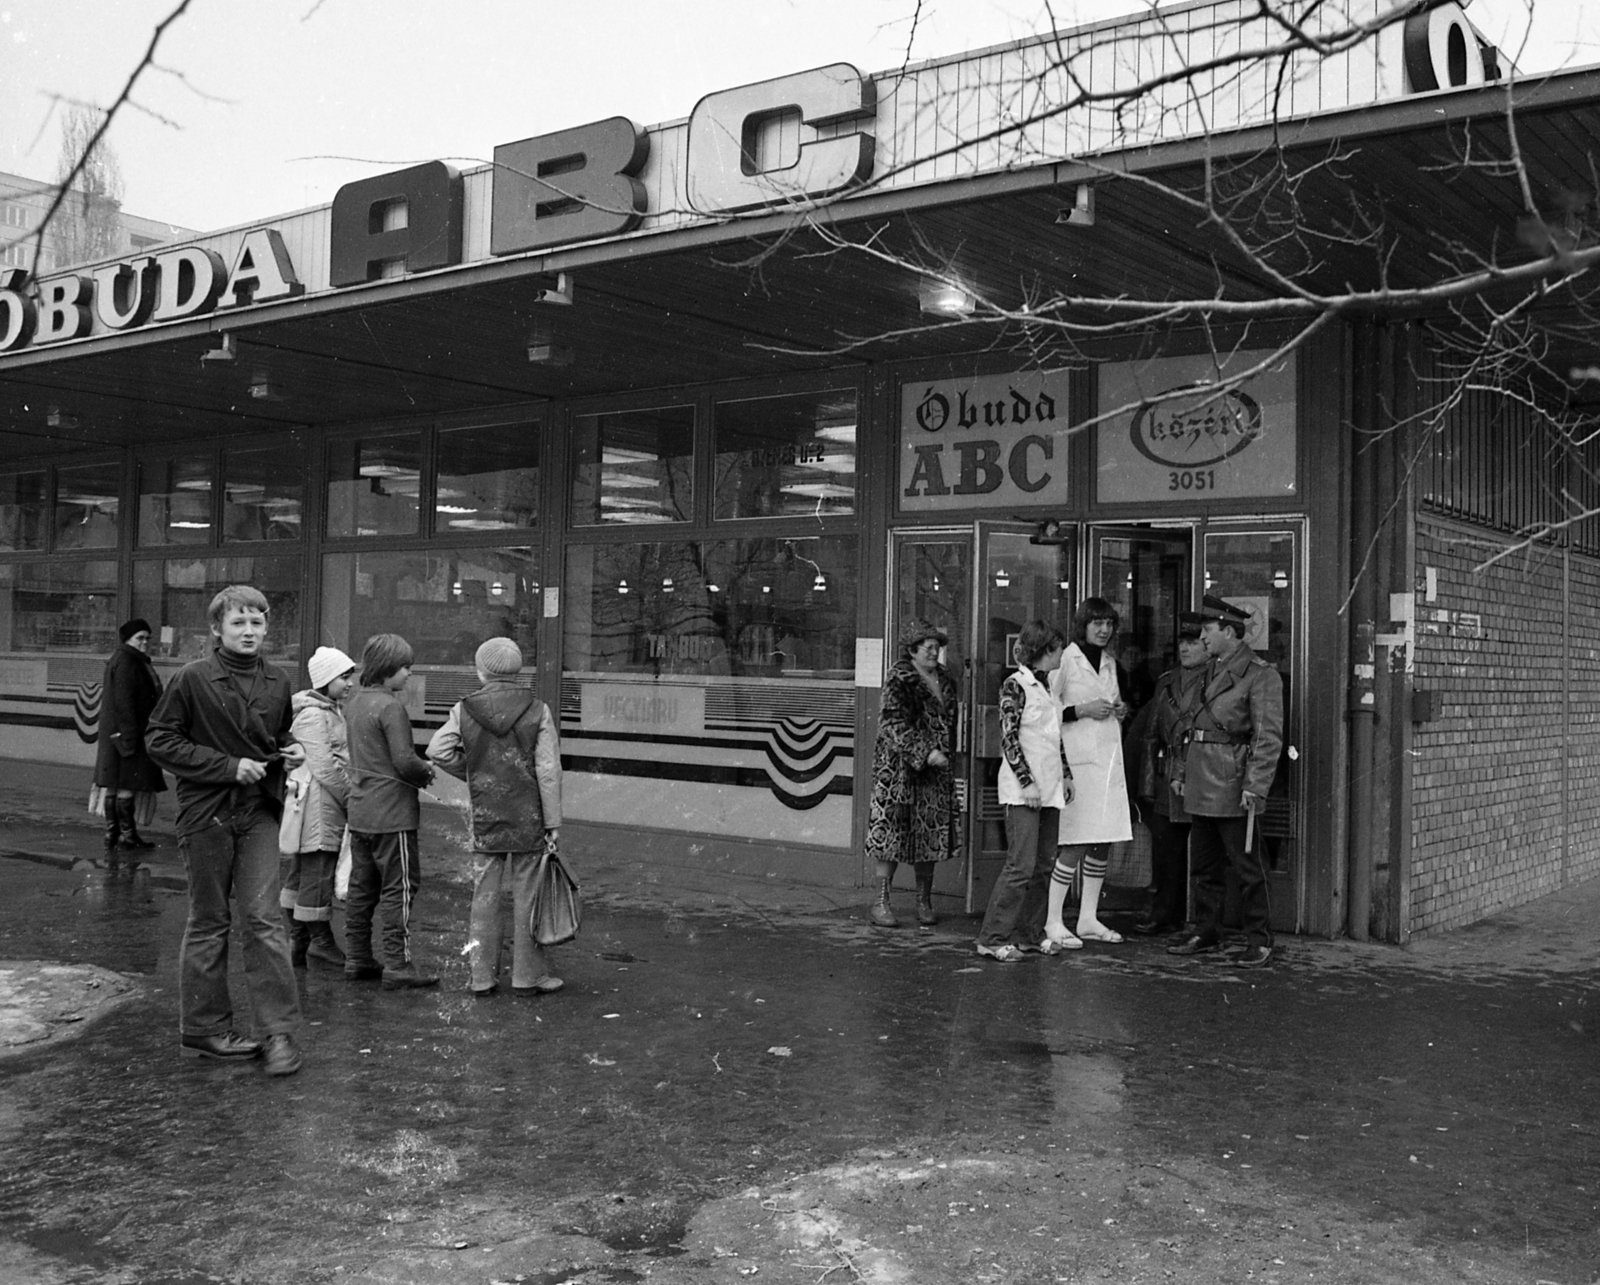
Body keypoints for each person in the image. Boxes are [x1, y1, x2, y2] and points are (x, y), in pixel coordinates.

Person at [144, 585, 305, 1076]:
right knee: (210, 919)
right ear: (216, 629)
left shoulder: (279, 682)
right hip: (206, 811)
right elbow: (159, 740)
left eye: (257, 623)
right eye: (238, 623)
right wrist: (227, 766)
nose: (249, 631)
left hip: (258, 811)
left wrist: (291, 748)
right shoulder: (192, 679)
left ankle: (278, 1034)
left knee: (263, 919)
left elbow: (275, 735)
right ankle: (206, 1028)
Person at [426, 638, 565, 997]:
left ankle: (482, 978)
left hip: (487, 813)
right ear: (518, 671)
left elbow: (437, 750)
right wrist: (552, 823)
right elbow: (548, 771)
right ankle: (528, 976)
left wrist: (474, 775)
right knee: (528, 895)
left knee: (484, 895)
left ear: (480, 671)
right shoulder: (538, 709)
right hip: (528, 814)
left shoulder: (464, 709)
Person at [1167, 595, 1285, 968]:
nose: (1201, 637)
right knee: (1203, 866)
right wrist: (1182, 772)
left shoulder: (1260, 674)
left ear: (1230, 632)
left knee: (1248, 866)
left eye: (1208, 630)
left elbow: (1267, 736)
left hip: (1234, 781)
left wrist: (1256, 785)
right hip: (1203, 778)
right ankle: (1207, 930)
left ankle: (1259, 939)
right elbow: (1193, 727)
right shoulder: (1211, 669)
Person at [975, 621, 1076, 962]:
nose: (1063, 653)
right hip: (1024, 791)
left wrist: (1066, 774)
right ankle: (992, 936)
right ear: (1046, 650)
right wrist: (1026, 781)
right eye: (1059, 647)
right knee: (1021, 865)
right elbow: (1009, 737)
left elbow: (1054, 737)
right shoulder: (1015, 685)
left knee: (1045, 863)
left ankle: (1029, 934)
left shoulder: (1048, 687)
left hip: (1049, 787)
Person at [343, 633, 439, 989]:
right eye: (404, 667)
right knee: (400, 887)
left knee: (362, 887)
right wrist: (426, 769)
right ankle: (397, 963)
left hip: (361, 811)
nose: (409, 673)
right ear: (387, 669)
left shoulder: (354, 701)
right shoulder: (390, 707)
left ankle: (357, 956)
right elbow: (404, 761)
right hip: (393, 814)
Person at [1045, 597, 1135, 947]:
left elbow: (1108, 703)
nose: (1103, 629)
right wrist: (1081, 709)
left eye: (1109, 624)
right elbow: (1044, 711)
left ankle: (1087, 918)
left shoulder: (1111, 663)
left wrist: (1119, 710)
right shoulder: (1065, 660)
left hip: (1108, 762)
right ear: (1082, 625)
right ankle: (1054, 920)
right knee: (1075, 842)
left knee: (1102, 841)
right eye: (1096, 623)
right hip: (1078, 766)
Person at [864, 618, 959, 928]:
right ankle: (881, 902)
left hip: (935, 772)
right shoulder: (899, 677)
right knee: (891, 835)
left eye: (936, 647)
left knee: (930, 833)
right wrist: (925, 751)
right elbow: (890, 724)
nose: (934, 652)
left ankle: (923, 901)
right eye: (928, 647)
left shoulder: (944, 679)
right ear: (912, 650)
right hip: (900, 772)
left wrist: (942, 755)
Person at [1130, 612, 1209, 937]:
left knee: (1205, 854)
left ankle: (1202, 921)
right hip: (1168, 778)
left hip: (1204, 773)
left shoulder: (1217, 678)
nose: (1185, 649)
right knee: (1165, 852)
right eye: (1182, 643)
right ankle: (1165, 914)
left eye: (1192, 642)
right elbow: (1150, 735)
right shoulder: (1166, 681)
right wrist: (1147, 786)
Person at [280, 646, 356, 969]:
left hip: (319, 804)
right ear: (326, 680)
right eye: (344, 677)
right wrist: (352, 797)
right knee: (318, 872)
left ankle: (298, 941)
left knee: (306, 871)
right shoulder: (314, 715)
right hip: (319, 807)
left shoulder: (329, 710)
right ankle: (319, 941)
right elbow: (324, 766)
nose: (351, 683)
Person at [94, 617, 167, 863]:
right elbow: (125, 704)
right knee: (126, 785)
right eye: (140, 638)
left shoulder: (122, 659)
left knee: (115, 784)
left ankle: (112, 833)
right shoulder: (129, 662)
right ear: (128, 639)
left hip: (117, 734)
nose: (145, 642)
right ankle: (127, 835)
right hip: (127, 734)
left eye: (148, 638)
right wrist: (130, 739)